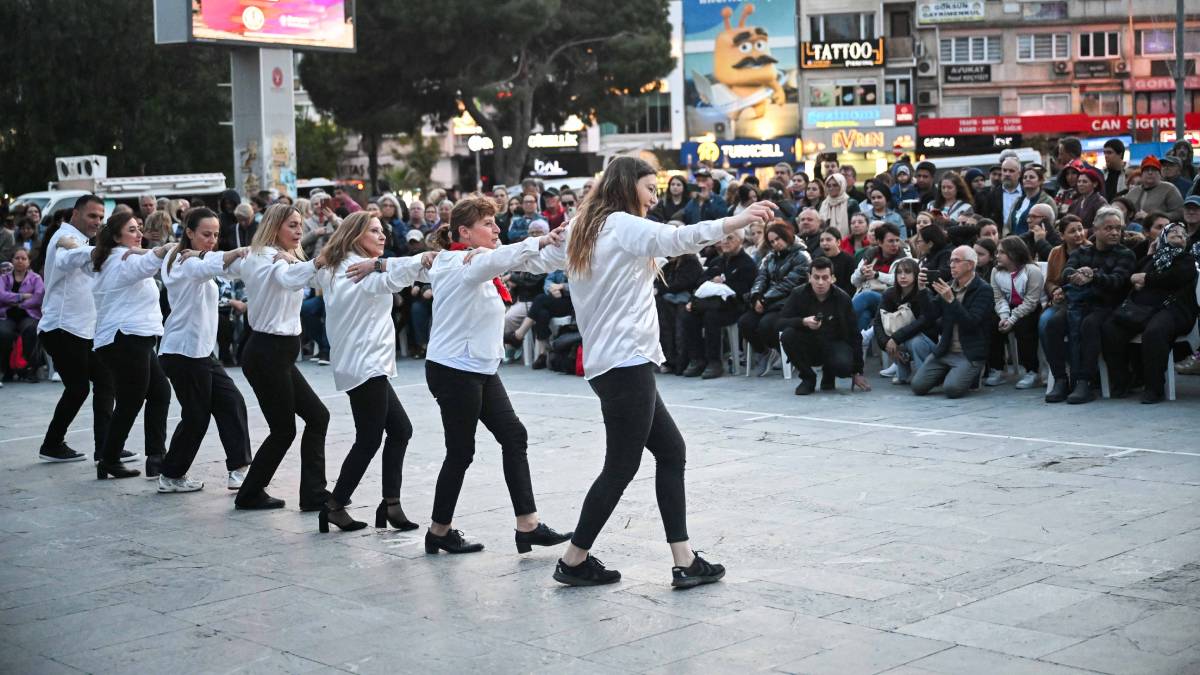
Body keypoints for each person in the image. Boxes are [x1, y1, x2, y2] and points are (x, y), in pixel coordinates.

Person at [538, 156, 773, 588]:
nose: (654, 196)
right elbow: (680, 237)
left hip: (615, 363)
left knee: (671, 452)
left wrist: (526, 244)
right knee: (620, 467)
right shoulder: (622, 225)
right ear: (628, 186)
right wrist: (736, 219)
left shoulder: (584, 227)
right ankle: (573, 560)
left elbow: (535, 259)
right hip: (624, 362)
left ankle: (684, 560)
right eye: (649, 188)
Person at [423, 197, 572, 555]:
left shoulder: (478, 259)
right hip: (454, 370)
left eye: (495, 222)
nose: (497, 229)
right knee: (460, 451)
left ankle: (528, 525)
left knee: (513, 435)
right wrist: (538, 239)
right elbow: (507, 256)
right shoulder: (455, 261)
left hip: (480, 368)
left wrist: (565, 242)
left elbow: (530, 260)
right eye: (488, 224)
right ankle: (438, 531)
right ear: (464, 232)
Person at [309, 213, 436, 532]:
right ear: (355, 237)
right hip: (365, 365)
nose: (383, 236)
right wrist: (426, 256)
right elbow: (403, 274)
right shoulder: (359, 271)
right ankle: (335, 505)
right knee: (369, 438)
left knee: (400, 430)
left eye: (384, 231)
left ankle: (390, 505)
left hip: (362, 364)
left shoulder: (335, 266)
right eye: (375, 231)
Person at [234, 204, 331, 511]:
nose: (299, 230)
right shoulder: (266, 257)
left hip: (279, 353)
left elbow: (307, 278)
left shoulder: (282, 257)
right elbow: (287, 279)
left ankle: (313, 493)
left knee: (317, 417)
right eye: (292, 225)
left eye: (300, 225)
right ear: (275, 227)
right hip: (267, 352)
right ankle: (250, 493)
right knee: (284, 428)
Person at [61, 212, 172, 479]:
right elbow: (152, 261)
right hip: (126, 339)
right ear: (116, 236)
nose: (138, 234)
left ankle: (154, 457)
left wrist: (71, 245)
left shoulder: (107, 256)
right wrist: (161, 249)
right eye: (132, 230)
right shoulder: (122, 262)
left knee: (158, 393)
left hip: (132, 339)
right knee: (131, 400)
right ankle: (111, 459)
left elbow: (73, 257)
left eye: (139, 229)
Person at [156, 208, 252, 493]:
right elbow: (206, 266)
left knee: (231, 401)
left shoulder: (197, 257)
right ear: (189, 233)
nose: (212, 240)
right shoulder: (182, 262)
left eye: (216, 234)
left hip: (200, 353)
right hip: (183, 352)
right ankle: (171, 475)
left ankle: (238, 469)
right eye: (205, 234)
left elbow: (217, 265)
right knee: (197, 416)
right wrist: (237, 251)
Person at [37, 196, 115, 463]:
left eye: (101, 217)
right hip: (62, 327)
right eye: (92, 216)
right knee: (79, 387)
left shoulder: (79, 240)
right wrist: (94, 251)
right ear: (76, 214)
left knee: (103, 381)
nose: (98, 222)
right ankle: (53, 443)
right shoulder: (64, 238)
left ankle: (104, 447)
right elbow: (66, 259)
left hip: (80, 330)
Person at [1044, 207, 1135, 404]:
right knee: (1053, 324)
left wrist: (1093, 276)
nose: (1114, 232)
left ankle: (1084, 381)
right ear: (1095, 229)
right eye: (1108, 228)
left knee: (1090, 325)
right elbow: (1066, 272)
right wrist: (1077, 275)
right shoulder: (1083, 251)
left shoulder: (1125, 254)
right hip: (1078, 302)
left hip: (1107, 305)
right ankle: (1060, 379)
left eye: (1117, 228)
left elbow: (1117, 281)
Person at [1101, 223, 1199, 403]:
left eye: (1183, 234)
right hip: (1142, 309)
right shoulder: (1150, 259)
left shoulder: (1186, 259)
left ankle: (1154, 387)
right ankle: (1123, 381)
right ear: (1162, 238)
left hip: (1173, 309)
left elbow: (1176, 277)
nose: (1180, 235)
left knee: (1154, 332)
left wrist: (1146, 278)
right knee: (1110, 328)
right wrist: (1139, 271)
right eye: (1173, 233)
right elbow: (1130, 278)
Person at [778, 257, 871, 395]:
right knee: (787, 336)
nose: (820, 282)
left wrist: (857, 371)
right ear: (809, 277)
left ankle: (830, 373)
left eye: (825, 277)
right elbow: (780, 322)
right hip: (808, 343)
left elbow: (854, 334)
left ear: (832, 278)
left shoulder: (842, 298)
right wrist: (803, 322)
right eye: (816, 277)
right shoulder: (798, 294)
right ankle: (808, 378)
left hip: (834, 343)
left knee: (843, 365)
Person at [911, 245, 993, 398]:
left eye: (957, 261)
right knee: (917, 387)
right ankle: (949, 373)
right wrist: (922, 290)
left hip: (968, 352)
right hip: (945, 350)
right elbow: (930, 316)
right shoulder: (949, 286)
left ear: (970, 265)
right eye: (951, 261)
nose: (952, 265)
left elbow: (971, 323)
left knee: (952, 390)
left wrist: (951, 300)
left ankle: (969, 373)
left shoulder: (984, 290)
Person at [680, 230, 757, 379]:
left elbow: (741, 292)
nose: (725, 241)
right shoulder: (717, 262)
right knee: (688, 315)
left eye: (730, 238)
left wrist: (723, 284)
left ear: (741, 240)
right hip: (710, 304)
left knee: (711, 316)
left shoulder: (747, 264)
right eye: (723, 238)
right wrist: (711, 283)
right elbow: (700, 282)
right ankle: (697, 359)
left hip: (735, 307)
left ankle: (714, 361)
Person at [738, 221, 811, 376]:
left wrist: (764, 300)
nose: (775, 244)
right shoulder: (769, 257)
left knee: (767, 325)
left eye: (778, 239)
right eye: (771, 241)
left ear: (787, 236)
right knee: (745, 323)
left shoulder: (802, 256)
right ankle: (765, 352)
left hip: (789, 303)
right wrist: (757, 295)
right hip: (767, 301)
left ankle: (786, 353)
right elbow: (761, 278)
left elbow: (790, 283)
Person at [984, 236, 1043, 389]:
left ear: (1014, 253)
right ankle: (998, 368)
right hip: (1007, 308)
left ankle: (1032, 371)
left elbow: (1031, 301)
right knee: (991, 323)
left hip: (1030, 308)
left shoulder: (1032, 271)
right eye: (997, 252)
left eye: (1001, 252)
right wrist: (1004, 316)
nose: (997, 256)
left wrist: (1012, 319)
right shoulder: (996, 271)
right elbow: (998, 297)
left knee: (1024, 326)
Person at [872, 258, 936, 385]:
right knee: (895, 339)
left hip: (926, 340)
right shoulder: (890, 293)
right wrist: (886, 343)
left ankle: (923, 376)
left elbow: (924, 321)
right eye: (899, 272)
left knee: (915, 341)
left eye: (907, 272)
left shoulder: (924, 292)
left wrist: (896, 338)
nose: (902, 276)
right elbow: (878, 322)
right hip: (901, 338)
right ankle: (903, 373)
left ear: (916, 274)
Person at [850, 223, 906, 331]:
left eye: (897, 240)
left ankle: (838, 321)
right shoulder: (871, 255)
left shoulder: (904, 258)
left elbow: (899, 280)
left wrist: (877, 275)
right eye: (890, 241)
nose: (895, 244)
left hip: (891, 300)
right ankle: (859, 345)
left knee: (866, 295)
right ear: (880, 242)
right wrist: (861, 272)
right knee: (864, 316)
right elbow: (854, 281)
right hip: (869, 299)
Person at [655, 249, 703, 374]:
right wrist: (662, 289)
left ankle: (681, 362)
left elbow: (683, 283)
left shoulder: (691, 262)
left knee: (681, 323)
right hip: (669, 301)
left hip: (687, 301)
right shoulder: (670, 263)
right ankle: (669, 360)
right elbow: (659, 281)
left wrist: (662, 289)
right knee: (663, 321)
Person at [0, 248, 42, 383]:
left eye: (24, 258)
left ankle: (31, 369)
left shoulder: (36, 278)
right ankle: (7, 369)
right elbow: (1, 295)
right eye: (17, 258)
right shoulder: (3, 278)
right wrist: (21, 296)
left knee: (31, 331)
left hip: (28, 315)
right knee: (3, 333)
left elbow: (38, 297)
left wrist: (19, 305)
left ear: (29, 262)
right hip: (7, 315)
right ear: (12, 261)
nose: (20, 261)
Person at [1125, 156, 1183, 222]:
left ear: (1160, 173)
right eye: (1146, 170)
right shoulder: (1133, 192)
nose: (1150, 172)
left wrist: (1152, 217)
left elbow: (1179, 214)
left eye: (1154, 169)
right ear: (1142, 174)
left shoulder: (1169, 189)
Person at [1006, 165, 1056, 236]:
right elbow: (1008, 225)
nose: (1027, 179)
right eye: (1025, 177)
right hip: (1015, 243)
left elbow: (1050, 227)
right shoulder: (1018, 201)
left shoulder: (1048, 201)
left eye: (1031, 177)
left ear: (1040, 181)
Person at [1067, 166, 1108, 231]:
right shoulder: (1076, 202)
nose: (1080, 184)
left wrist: (1088, 232)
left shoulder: (1100, 202)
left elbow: (1104, 225)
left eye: (1084, 182)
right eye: (1079, 181)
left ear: (1095, 184)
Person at [818, 227, 855, 296]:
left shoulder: (848, 260)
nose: (824, 243)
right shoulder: (818, 259)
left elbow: (851, 286)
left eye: (828, 240)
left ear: (838, 242)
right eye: (821, 240)